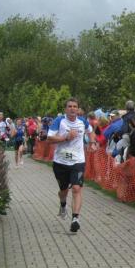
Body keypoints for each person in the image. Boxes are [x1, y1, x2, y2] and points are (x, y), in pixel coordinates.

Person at [47, 98, 97, 233]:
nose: (72, 108)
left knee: (76, 188)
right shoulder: (59, 121)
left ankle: (75, 219)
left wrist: (92, 142)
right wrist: (65, 137)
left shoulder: (82, 121)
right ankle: (63, 204)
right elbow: (49, 139)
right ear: (65, 109)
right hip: (60, 162)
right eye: (70, 106)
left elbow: (90, 131)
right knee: (63, 191)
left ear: (78, 109)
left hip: (78, 161)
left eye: (75, 106)